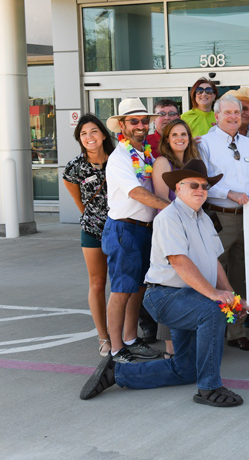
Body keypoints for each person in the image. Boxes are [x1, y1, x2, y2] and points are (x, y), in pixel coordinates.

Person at [80, 159, 249, 407]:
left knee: (184, 369)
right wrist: (215, 295)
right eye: (194, 185)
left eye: (205, 186)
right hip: (165, 297)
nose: (200, 190)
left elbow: (214, 263)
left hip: (190, 296)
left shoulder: (203, 218)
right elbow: (179, 262)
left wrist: (233, 299)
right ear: (179, 188)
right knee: (213, 313)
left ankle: (116, 373)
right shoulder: (169, 217)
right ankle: (209, 387)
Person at [199, 94, 249, 351]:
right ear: (217, 116)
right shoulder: (205, 144)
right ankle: (212, 331)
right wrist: (229, 193)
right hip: (219, 216)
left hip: (248, 218)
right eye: (227, 113)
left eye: (237, 113)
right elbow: (205, 180)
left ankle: (236, 331)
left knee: (241, 276)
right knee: (214, 276)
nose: (233, 117)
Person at [102, 99, 169, 362]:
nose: (140, 125)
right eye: (134, 121)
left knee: (138, 288)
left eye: (144, 120)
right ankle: (116, 349)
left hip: (145, 229)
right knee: (121, 290)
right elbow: (137, 192)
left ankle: (131, 338)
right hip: (124, 229)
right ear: (122, 125)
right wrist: (171, 209)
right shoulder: (119, 157)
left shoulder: (146, 154)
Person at [63, 114, 115, 357]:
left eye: (93, 131)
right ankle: (103, 338)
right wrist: (93, 219)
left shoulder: (119, 159)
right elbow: (79, 201)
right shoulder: (74, 167)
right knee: (97, 284)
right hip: (92, 231)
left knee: (123, 285)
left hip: (121, 229)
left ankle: (122, 335)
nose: (89, 137)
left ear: (103, 134)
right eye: (83, 133)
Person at [152, 118, 200, 356]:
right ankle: (170, 349)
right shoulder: (163, 162)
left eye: (184, 134)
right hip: (172, 229)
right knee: (171, 287)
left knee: (190, 284)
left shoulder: (193, 162)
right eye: (175, 135)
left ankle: (187, 342)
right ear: (167, 140)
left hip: (192, 228)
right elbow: (162, 200)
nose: (180, 139)